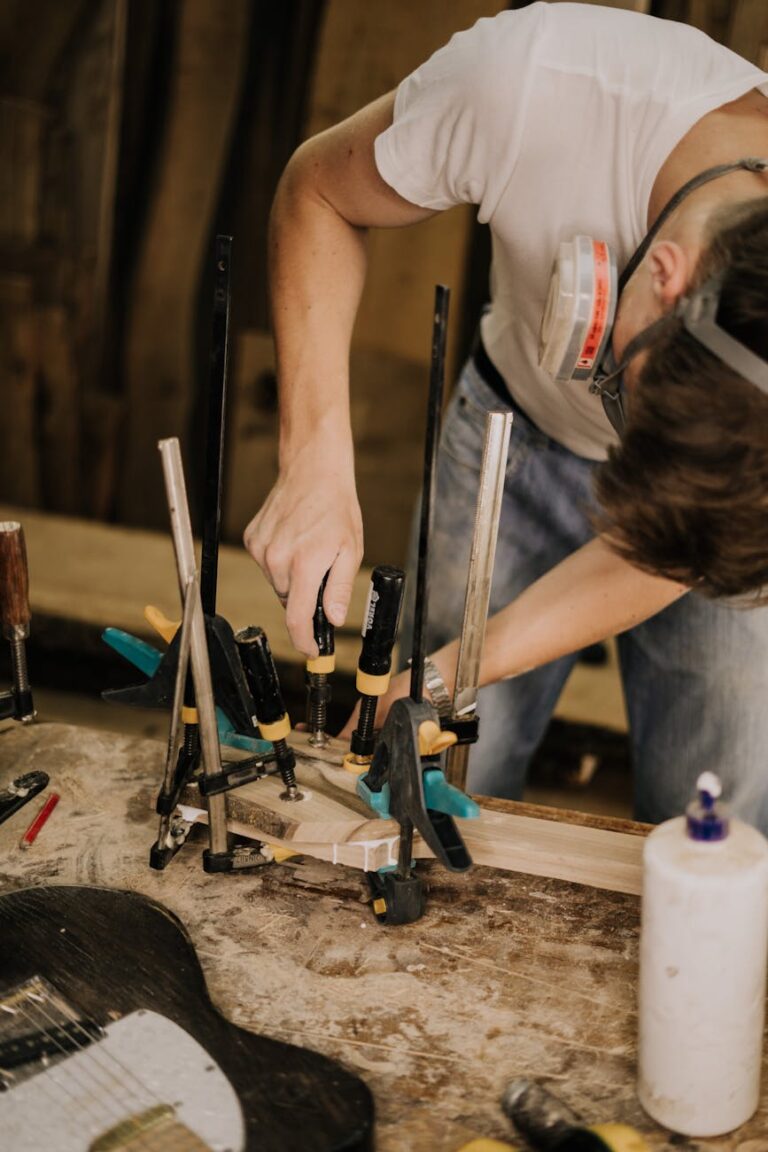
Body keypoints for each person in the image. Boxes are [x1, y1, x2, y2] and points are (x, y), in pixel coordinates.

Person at [243, 2, 768, 826]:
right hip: (515, 434)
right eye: (625, 393)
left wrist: (449, 670)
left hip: (717, 518)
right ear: (669, 272)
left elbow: (687, 541)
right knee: (442, 774)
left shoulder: (728, 475)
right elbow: (319, 191)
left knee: (725, 825)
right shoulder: (529, 86)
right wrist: (314, 456)